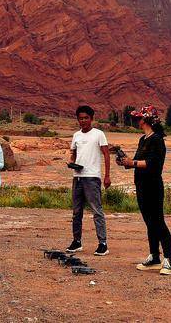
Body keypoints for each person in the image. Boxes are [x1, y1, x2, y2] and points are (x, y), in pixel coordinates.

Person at [116, 105, 171, 275]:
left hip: (153, 185)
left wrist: (132, 163)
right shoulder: (143, 139)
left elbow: (153, 164)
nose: (136, 121)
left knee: (158, 221)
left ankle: (169, 259)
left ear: (146, 120)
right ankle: (154, 256)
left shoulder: (157, 140)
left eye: (138, 118)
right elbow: (137, 161)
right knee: (149, 222)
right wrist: (124, 161)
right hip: (141, 184)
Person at [65, 105, 111, 256]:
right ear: (77, 119)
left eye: (86, 118)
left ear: (91, 119)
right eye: (80, 118)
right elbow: (73, 153)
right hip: (77, 176)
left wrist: (107, 175)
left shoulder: (99, 134)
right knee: (76, 212)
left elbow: (106, 155)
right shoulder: (76, 135)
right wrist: (71, 162)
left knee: (97, 210)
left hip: (92, 177)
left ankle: (102, 243)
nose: (83, 120)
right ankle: (76, 241)